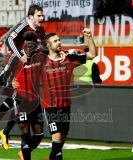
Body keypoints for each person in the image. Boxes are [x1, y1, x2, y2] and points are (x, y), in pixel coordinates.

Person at [0, 5, 46, 159]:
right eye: (39, 15)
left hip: (31, 68)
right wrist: (20, 56)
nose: (42, 18)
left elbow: (42, 46)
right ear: (31, 17)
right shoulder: (23, 26)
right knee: (16, 96)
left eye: (42, 15)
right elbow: (9, 39)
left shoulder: (40, 30)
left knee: (20, 99)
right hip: (17, 64)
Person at [40, 29, 97, 160]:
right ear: (48, 45)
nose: (59, 42)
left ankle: (51, 158)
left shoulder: (69, 58)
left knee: (63, 138)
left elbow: (92, 54)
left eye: (59, 39)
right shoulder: (41, 61)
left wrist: (89, 36)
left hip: (65, 105)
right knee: (57, 137)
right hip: (50, 106)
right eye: (55, 41)